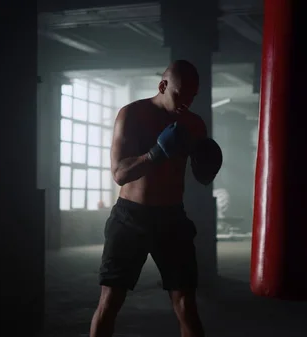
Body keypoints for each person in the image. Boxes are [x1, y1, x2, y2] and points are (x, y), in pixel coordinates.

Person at [89, 60, 223, 337]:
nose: (186, 101)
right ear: (163, 86)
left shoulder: (194, 124)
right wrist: (155, 154)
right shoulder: (132, 115)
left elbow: (203, 176)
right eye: (180, 93)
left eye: (192, 96)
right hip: (130, 217)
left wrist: (208, 165)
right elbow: (119, 174)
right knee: (110, 301)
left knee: (186, 304)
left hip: (172, 218)